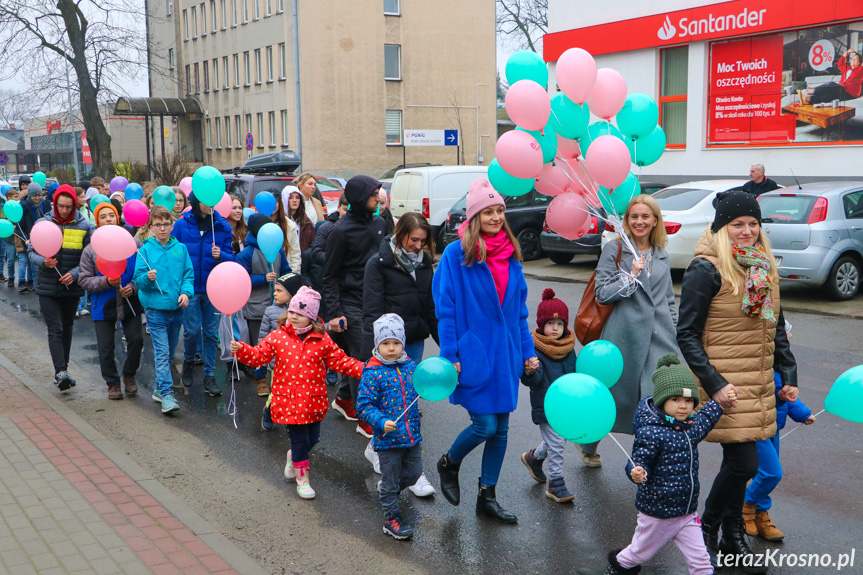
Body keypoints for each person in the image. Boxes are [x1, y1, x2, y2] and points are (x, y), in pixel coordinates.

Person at [677, 190, 797, 570]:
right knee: (744, 463)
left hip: (758, 380)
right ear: (721, 227)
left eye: (752, 224)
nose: (746, 231)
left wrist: (789, 373)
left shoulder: (762, 266)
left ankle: (731, 536)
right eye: (737, 225)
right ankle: (707, 524)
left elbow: (773, 325)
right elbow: (687, 334)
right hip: (725, 383)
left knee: (740, 460)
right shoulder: (706, 268)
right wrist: (713, 382)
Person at [432, 178, 537, 524]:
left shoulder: (512, 253)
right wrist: (450, 354)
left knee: (502, 429)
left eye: (499, 211)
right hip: (473, 352)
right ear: (475, 216)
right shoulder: (456, 254)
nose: (495, 217)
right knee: (485, 426)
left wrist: (526, 352)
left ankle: (486, 497)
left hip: (506, 354)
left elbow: (519, 312)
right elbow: (445, 307)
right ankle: (450, 462)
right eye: (488, 211)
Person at [231, 286, 364, 499]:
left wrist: (364, 369)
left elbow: (340, 361)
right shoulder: (277, 337)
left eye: (300, 314)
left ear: (311, 319)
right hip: (289, 401)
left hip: (314, 400)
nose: (293, 316)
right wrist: (242, 350)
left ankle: (293, 458)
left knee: (313, 439)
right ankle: (302, 480)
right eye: (292, 312)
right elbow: (258, 356)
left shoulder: (322, 340)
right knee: (300, 441)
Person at [580, 194, 679, 467]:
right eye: (634, 216)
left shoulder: (661, 255)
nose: (639, 221)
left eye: (646, 216)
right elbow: (602, 294)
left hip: (659, 338)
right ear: (626, 220)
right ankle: (587, 442)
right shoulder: (615, 250)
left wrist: (675, 333)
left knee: (654, 398)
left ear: (655, 221)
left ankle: (645, 458)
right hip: (623, 338)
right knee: (612, 398)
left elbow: (667, 299)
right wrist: (630, 277)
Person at [604, 355, 724, 575]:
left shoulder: (688, 427)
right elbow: (638, 460)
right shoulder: (651, 431)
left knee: (701, 561)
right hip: (657, 513)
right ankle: (619, 565)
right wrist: (637, 472)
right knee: (640, 553)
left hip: (687, 512)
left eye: (688, 401)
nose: (683, 406)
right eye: (676, 400)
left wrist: (720, 402)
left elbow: (705, 419)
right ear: (662, 401)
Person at [361, 212, 438, 497]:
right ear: (400, 233)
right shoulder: (378, 264)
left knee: (408, 406)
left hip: (414, 340)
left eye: (423, 241)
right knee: (394, 407)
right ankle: (412, 473)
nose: (418, 246)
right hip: (385, 348)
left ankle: (379, 450)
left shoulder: (426, 264)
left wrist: (447, 347)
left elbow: (430, 307)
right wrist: (372, 356)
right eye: (413, 239)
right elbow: (371, 309)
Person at [323, 175, 385, 437]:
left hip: (377, 298)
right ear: (360, 197)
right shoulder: (340, 231)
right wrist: (335, 313)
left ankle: (343, 398)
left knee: (374, 353)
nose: (379, 197)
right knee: (364, 357)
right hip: (350, 303)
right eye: (374, 193)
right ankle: (366, 416)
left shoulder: (381, 222)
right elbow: (330, 275)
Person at [356, 314, 423, 540]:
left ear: (403, 343)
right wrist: (381, 421)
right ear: (377, 344)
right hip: (388, 439)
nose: (391, 348)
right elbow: (363, 406)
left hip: (412, 435)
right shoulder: (372, 372)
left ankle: (388, 491)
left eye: (396, 343)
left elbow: (421, 388)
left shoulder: (410, 366)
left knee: (413, 474)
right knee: (392, 479)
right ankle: (391, 518)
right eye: (385, 343)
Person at [743, 340, 815, 543]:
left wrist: (803, 414)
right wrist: (779, 394)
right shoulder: (759, 364)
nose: (787, 344)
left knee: (763, 473)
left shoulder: (781, 366)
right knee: (771, 473)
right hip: (757, 426)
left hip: (773, 428)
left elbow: (789, 398)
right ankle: (746, 505)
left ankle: (761, 514)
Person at [27, 185, 93, 391]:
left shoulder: (85, 226)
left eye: (69, 207)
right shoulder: (43, 223)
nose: (64, 210)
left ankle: (63, 369)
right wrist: (43, 261)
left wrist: (73, 275)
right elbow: (31, 251)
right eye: (61, 206)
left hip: (71, 287)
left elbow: (88, 257)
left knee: (67, 328)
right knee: (55, 328)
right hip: (47, 286)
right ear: (55, 204)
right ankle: (60, 371)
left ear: (75, 205)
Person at [78, 202, 144, 400]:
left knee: (136, 340)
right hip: (102, 304)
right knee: (106, 348)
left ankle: (129, 376)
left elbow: (141, 272)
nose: (108, 219)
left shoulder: (134, 244)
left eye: (111, 215)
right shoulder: (90, 250)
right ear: (97, 221)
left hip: (130, 302)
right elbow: (83, 280)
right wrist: (105, 281)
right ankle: (113, 383)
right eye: (103, 216)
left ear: (118, 218)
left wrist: (133, 287)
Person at [172, 192, 235, 396]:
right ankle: (189, 361)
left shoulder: (222, 226)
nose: (211, 205)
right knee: (190, 331)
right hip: (190, 289)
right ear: (196, 202)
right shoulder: (181, 226)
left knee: (210, 333)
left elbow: (232, 259)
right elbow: (174, 254)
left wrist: (222, 255)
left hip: (213, 288)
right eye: (206, 201)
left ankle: (209, 375)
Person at [132, 206, 194, 414]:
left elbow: (188, 275)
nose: (162, 228)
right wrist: (147, 279)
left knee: (168, 353)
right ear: (151, 227)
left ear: (171, 225)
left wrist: (186, 293)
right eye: (157, 225)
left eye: (166, 224)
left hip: (176, 309)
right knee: (161, 352)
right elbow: (138, 280)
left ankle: (159, 389)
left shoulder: (181, 249)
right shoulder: (146, 250)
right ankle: (167, 395)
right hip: (155, 310)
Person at [519, 288, 578, 503]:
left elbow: (575, 375)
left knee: (558, 438)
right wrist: (530, 370)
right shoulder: (534, 348)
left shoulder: (569, 347)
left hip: (566, 404)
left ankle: (534, 458)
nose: (556, 328)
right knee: (557, 443)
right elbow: (531, 381)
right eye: (551, 324)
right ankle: (556, 484)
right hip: (546, 404)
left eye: (560, 324)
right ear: (542, 325)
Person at [236, 213, 291, 392]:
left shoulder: (278, 250)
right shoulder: (247, 253)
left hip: (279, 307)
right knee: (259, 346)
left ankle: (280, 379)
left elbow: (286, 271)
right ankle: (260, 381)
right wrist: (263, 278)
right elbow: (241, 280)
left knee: (282, 345)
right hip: (256, 307)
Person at [258, 272, 304, 421]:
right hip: (277, 364)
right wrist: (261, 363)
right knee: (277, 393)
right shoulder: (270, 312)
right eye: (275, 290)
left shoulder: (304, 313)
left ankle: (294, 419)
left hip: (299, 364)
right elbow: (263, 338)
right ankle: (268, 412)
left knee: (297, 393)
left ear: (293, 293)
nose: (275, 294)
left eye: (279, 291)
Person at [18, 182, 46, 292]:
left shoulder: (45, 204)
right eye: (35, 195)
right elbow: (20, 226)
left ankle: (38, 284)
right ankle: (37, 286)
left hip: (45, 238)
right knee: (34, 265)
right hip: (30, 238)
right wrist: (25, 238)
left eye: (40, 195)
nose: (38, 198)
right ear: (30, 195)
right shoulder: (24, 206)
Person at [272, 188, 302, 273]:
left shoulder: (289, 225)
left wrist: (292, 276)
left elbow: (295, 254)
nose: (273, 205)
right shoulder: (259, 224)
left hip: (285, 272)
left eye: (275, 202)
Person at [284, 186, 315, 252]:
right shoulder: (282, 221)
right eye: (290, 197)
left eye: (297, 197)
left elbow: (312, 243)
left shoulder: (307, 222)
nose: (294, 200)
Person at [1, 187, 18, 287]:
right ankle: (11, 277)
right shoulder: (4, 209)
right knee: (11, 259)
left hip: (19, 237)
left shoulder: (19, 207)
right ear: (8, 198)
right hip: (10, 239)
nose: (16, 199)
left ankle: (24, 279)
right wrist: (8, 221)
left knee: (24, 261)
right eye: (15, 197)